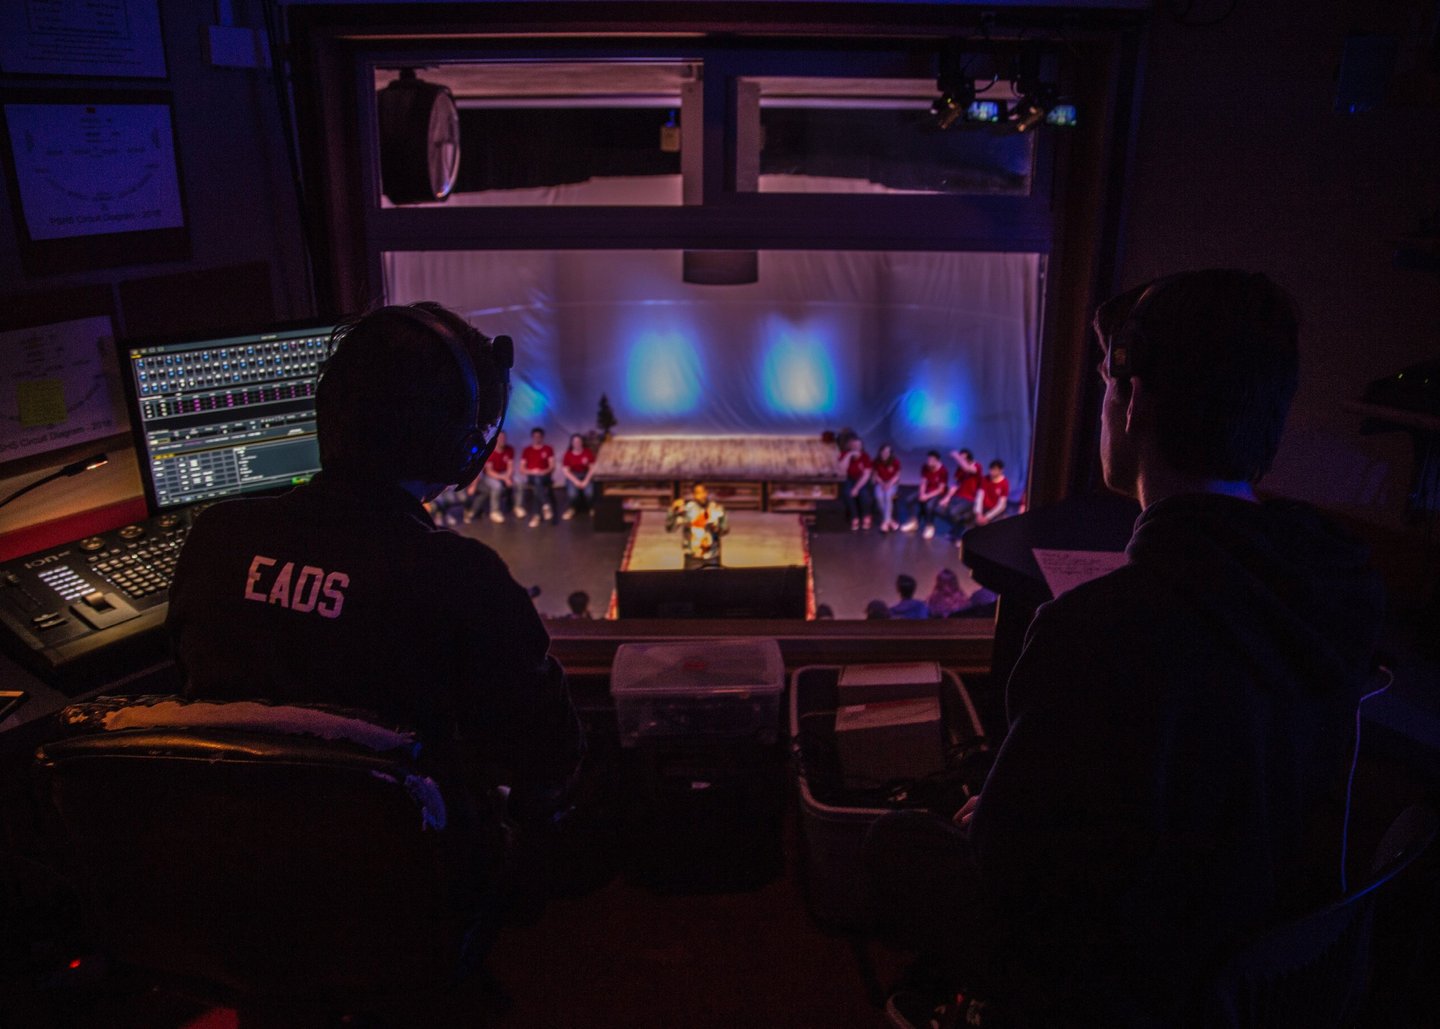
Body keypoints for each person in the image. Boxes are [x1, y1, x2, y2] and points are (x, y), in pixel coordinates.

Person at [866, 269, 1385, 1028]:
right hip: (1259, 954)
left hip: (1127, 979)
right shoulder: (1339, 580)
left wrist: (990, 818)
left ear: (1132, 402)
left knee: (894, 843)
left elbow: (1013, 880)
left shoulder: (1096, 629)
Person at [167, 303, 586, 869]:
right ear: (467, 448)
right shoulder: (462, 578)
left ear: (327, 410)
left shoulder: (216, 539)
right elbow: (548, 754)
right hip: (402, 884)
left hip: (229, 870)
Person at [666, 482, 728, 570]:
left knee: (714, 583)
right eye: (698, 493)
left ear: (707, 492)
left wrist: (716, 528)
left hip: (712, 556)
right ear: (693, 494)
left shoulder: (717, 508)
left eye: (703, 492)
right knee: (691, 583)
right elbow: (670, 528)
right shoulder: (687, 510)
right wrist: (672, 510)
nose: (701, 495)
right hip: (692, 557)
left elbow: (725, 529)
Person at [902, 451, 948, 539]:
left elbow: (940, 489)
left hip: (937, 492)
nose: (929, 462)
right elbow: (923, 482)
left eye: (932, 460)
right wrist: (922, 493)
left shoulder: (943, 471)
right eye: (928, 460)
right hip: (926, 490)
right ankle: (913, 522)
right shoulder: (925, 467)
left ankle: (929, 526)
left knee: (929, 506)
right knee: (909, 499)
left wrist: (927, 496)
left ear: (937, 461)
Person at [836, 435, 877, 531]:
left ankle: (866, 516)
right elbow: (842, 470)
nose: (856, 448)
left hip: (862, 480)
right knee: (847, 493)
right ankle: (854, 517)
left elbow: (866, 475)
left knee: (864, 494)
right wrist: (849, 455)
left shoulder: (865, 456)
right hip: (850, 478)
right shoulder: (844, 454)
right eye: (853, 446)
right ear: (850, 446)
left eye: (858, 446)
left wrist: (856, 488)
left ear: (861, 446)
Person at [481, 428, 520, 523]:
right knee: (497, 486)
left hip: (504, 473)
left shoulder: (509, 449)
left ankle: (517, 506)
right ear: (496, 439)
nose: (503, 439)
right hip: (490, 476)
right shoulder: (490, 452)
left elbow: (510, 467)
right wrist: (505, 478)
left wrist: (508, 477)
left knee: (519, 482)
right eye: (500, 438)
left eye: (504, 437)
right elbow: (489, 472)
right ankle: (494, 512)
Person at [944, 448, 982, 543]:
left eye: (963, 459)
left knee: (954, 512)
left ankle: (960, 532)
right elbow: (955, 484)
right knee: (942, 510)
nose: (960, 461)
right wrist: (947, 498)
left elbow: (968, 468)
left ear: (969, 458)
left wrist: (956, 456)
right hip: (958, 497)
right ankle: (961, 528)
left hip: (969, 498)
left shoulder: (976, 466)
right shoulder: (960, 469)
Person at [521, 427, 557, 527]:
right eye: (535, 436)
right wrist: (532, 471)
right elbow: (522, 469)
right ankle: (545, 505)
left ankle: (536, 516)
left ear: (542, 437)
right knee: (537, 483)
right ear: (532, 437)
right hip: (532, 477)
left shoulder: (548, 449)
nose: (537, 438)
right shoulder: (527, 450)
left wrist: (543, 472)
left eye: (539, 436)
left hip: (545, 476)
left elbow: (552, 466)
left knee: (538, 485)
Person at [561, 433, 597, 520]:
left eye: (579, 441)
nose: (577, 443)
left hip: (585, 474)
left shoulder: (587, 452)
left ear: (582, 442)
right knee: (572, 494)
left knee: (589, 493)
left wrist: (586, 481)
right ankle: (572, 509)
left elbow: (592, 469)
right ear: (572, 443)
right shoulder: (568, 454)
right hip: (573, 475)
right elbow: (566, 471)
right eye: (575, 441)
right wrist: (576, 481)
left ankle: (591, 508)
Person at [873, 443, 902, 532]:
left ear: (890, 453)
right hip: (880, 483)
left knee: (888, 495)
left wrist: (889, 484)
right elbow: (875, 475)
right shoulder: (876, 461)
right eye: (883, 451)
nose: (885, 453)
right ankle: (890, 521)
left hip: (892, 484)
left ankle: (885, 522)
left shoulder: (895, 462)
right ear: (880, 452)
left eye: (887, 452)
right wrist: (882, 484)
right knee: (879, 497)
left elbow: (897, 476)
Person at [972, 459, 1009, 527]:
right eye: (991, 469)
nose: (993, 472)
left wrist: (987, 517)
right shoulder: (985, 479)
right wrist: (978, 513)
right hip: (983, 509)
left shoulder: (1004, 483)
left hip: (995, 512)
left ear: (1001, 470)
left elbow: (1001, 505)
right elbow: (979, 497)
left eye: (995, 470)